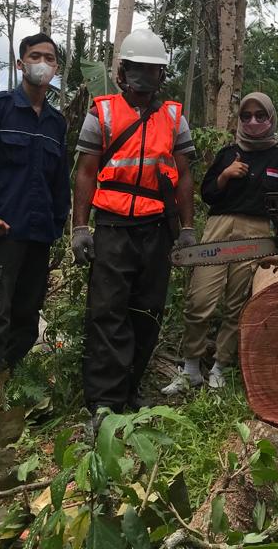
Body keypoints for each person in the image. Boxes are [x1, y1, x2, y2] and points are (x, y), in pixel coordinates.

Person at [71, 28, 196, 417]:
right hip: (113, 226)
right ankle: (104, 403)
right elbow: (85, 172)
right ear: (122, 72)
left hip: (157, 227)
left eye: (151, 69)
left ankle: (130, 387)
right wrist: (80, 227)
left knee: (148, 311)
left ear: (161, 74)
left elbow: (184, 174)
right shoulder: (102, 113)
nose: (144, 76)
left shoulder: (174, 117)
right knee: (108, 313)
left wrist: (187, 227)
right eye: (136, 68)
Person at [0, 33, 70, 429]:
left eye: (50, 58)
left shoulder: (56, 122)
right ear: (21, 64)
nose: (43, 63)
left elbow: (60, 182)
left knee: (26, 317)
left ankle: (3, 385)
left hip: (38, 237)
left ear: (57, 68)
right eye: (35, 56)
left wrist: (57, 224)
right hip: (0, 236)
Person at [163, 93, 278, 394]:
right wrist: (225, 176)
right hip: (220, 227)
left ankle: (220, 366)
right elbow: (208, 193)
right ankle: (191, 367)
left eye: (260, 116)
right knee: (200, 300)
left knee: (238, 303)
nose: (253, 121)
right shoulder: (228, 153)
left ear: (271, 118)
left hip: (258, 231)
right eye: (246, 116)